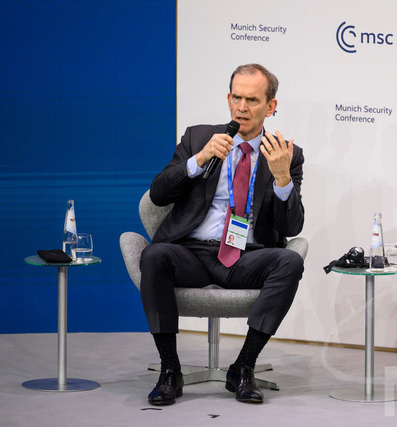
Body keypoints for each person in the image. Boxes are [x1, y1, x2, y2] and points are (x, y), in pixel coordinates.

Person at [140, 63, 305, 406]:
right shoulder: (198, 138)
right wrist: (198, 160)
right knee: (154, 255)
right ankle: (170, 370)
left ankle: (243, 367)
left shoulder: (286, 154)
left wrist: (282, 179)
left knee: (289, 261)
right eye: (236, 98)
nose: (242, 107)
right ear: (229, 99)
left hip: (245, 258)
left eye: (252, 100)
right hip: (192, 253)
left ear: (271, 106)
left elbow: (291, 228)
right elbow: (158, 194)